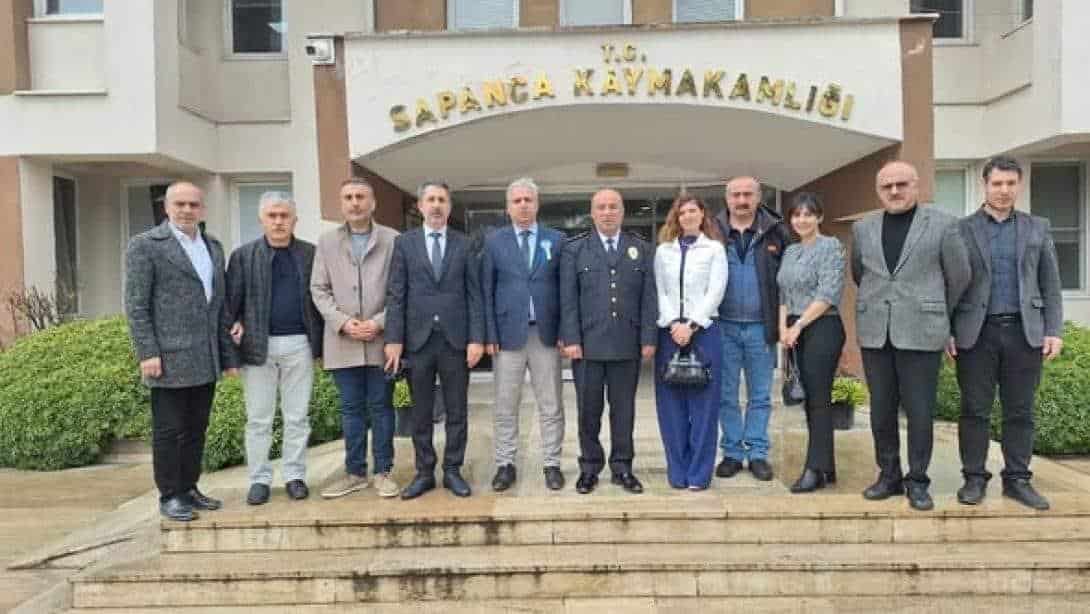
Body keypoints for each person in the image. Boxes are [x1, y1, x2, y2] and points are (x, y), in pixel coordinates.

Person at [852, 160, 971, 511]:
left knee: (919, 411)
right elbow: (860, 272)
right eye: (887, 186)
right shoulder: (863, 228)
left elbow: (960, 276)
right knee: (881, 410)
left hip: (922, 330)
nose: (894, 191)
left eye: (902, 184)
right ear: (878, 190)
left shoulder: (944, 225)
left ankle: (918, 480)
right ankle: (888, 474)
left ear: (916, 185)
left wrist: (935, 310)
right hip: (876, 331)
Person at [949, 156, 1063, 510]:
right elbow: (951, 283)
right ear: (985, 185)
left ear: (1019, 185)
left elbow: (1051, 283)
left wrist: (1053, 329)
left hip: (1023, 332)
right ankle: (973, 478)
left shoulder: (1037, 228)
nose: (1004, 190)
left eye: (1010, 184)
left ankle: (1017, 479)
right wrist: (948, 331)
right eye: (997, 184)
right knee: (974, 410)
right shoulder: (962, 229)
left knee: (1020, 411)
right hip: (976, 334)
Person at [124, 181, 235, 522]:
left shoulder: (213, 246)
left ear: (202, 209)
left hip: (205, 355)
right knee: (169, 430)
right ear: (166, 207)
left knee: (197, 427)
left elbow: (220, 305)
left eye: (194, 204)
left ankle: (189, 486)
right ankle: (170, 494)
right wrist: (148, 352)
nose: (187, 210)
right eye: (180, 204)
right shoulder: (146, 246)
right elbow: (136, 305)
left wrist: (227, 356)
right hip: (168, 357)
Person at [385, 181, 485, 500]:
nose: (437, 205)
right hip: (418, 341)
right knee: (421, 411)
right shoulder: (405, 244)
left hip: (456, 341)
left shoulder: (465, 244)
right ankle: (425, 471)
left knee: (457, 411)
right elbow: (396, 294)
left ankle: (453, 469)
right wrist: (394, 339)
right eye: (431, 199)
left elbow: (475, 294)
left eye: (442, 199)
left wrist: (476, 339)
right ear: (420, 205)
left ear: (449, 207)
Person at [225, 192, 323, 505]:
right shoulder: (243, 256)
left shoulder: (311, 254)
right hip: (257, 346)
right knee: (258, 418)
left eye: (284, 215)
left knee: (297, 416)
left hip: (300, 344)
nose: (279, 221)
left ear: (295, 219)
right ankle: (259, 479)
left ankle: (295, 475)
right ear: (262, 219)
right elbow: (231, 304)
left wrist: (321, 346)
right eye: (272, 216)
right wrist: (235, 329)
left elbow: (320, 300)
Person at [559, 188, 657, 495]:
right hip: (587, 346)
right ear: (592, 213)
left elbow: (648, 298)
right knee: (589, 411)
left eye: (613, 207)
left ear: (623, 212)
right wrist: (571, 339)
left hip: (626, 344)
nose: (607, 212)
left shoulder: (640, 248)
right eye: (601, 207)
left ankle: (622, 467)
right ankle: (589, 467)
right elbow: (568, 300)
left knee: (623, 410)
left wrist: (648, 338)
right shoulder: (575, 250)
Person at [311, 178, 402, 500]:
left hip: (380, 342)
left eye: (360, 196)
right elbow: (318, 289)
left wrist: (379, 323)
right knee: (351, 409)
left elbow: (400, 291)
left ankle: (383, 471)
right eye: (348, 197)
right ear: (342, 203)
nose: (354, 203)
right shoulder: (327, 242)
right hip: (343, 341)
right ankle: (354, 472)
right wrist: (344, 322)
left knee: (381, 407)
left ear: (373, 202)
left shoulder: (393, 240)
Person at [481, 178, 566, 492]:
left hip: (546, 335)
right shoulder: (494, 242)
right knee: (505, 404)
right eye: (517, 201)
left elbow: (565, 291)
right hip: (507, 336)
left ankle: (552, 463)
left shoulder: (556, 240)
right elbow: (486, 291)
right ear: (508, 207)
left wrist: (566, 332)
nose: (523, 205)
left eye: (528, 200)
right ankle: (505, 463)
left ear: (537, 203)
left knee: (551, 403)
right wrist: (489, 333)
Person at [713, 176, 791, 482]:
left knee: (760, 395)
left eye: (748, 194)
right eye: (736, 195)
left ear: (759, 197)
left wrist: (786, 324)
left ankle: (757, 453)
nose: (742, 200)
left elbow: (788, 282)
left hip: (762, 328)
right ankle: (732, 452)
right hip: (724, 328)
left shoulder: (777, 232)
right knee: (725, 395)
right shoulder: (713, 231)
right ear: (727, 198)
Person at [653, 194, 727, 491]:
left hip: (705, 331)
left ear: (702, 215)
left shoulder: (714, 250)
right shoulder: (663, 252)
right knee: (671, 408)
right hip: (670, 332)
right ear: (676, 218)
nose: (687, 216)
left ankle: (698, 474)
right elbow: (660, 291)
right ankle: (678, 471)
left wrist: (692, 325)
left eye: (692, 211)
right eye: (681, 212)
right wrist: (674, 324)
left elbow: (716, 290)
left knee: (704, 406)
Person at [776, 192, 846, 493]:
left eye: (808, 214)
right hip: (795, 330)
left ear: (819, 217)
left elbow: (828, 293)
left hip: (822, 326)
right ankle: (826, 466)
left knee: (819, 401)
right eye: (796, 215)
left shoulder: (830, 247)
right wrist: (784, 329)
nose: (801, 220)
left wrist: (800, 324)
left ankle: (813, 469)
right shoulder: (791, 251)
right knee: (809, 401)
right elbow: (783, 294)